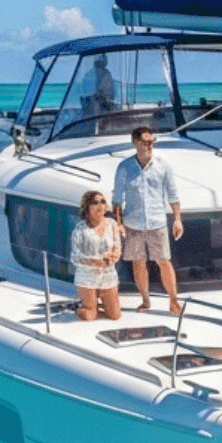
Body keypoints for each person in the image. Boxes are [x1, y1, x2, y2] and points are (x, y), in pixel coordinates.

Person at [113, 126, 184, 314]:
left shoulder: (163, 166)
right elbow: (117, 199)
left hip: (157, 222)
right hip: (133, 223)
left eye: (152, 142)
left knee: (164, 261)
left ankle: (174, 301)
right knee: (138, 263)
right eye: (146, 142)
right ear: (135, 142)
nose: (150, 145)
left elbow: (173, 195)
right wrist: (119, 223)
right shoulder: (124, 168)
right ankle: (145, 300)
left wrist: (177, 219)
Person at [70, 190, 123, 321]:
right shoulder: (80, 229)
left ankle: (94, 304)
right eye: (95, 202)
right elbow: (75, 256)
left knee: (115, 316)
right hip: (87, 278)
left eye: (103, 202)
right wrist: (95, 262)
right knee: (89, 316)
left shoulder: (112, 224)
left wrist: (112, 257)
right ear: (87, 207)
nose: (100, 205)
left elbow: (117, 247)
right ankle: (79, 307)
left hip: (108, 276)